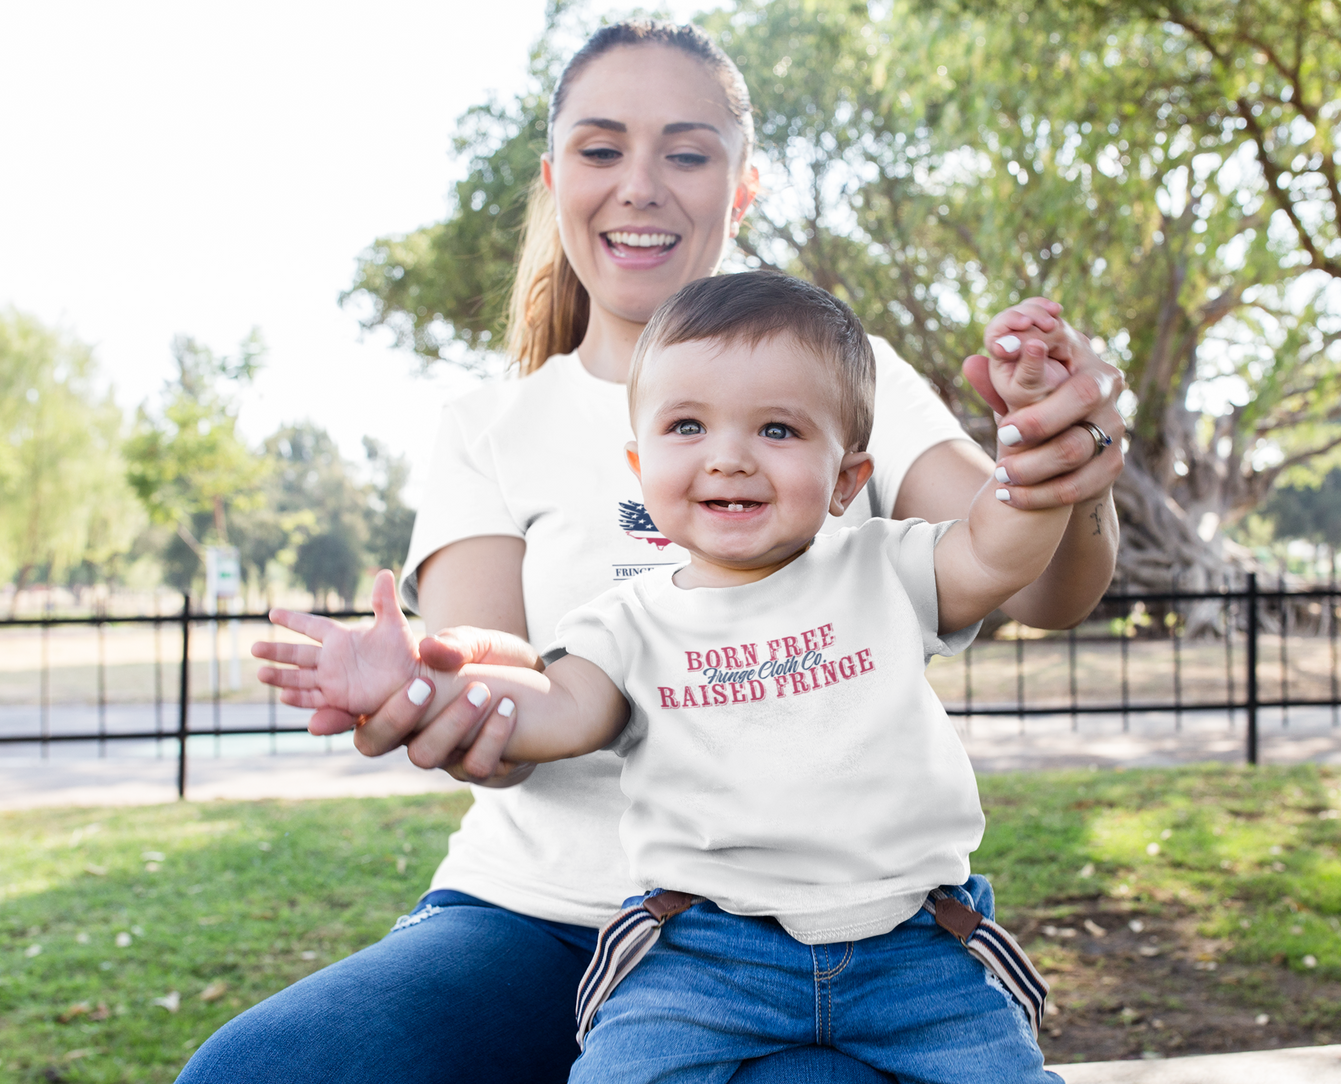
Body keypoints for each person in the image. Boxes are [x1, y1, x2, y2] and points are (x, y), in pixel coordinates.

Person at [180, 19, 1122, 1084]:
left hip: (822, 929)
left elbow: (1029, 575)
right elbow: (508, 664)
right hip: (534, 919)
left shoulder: (841, 371)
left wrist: (1060, 467)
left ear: (742, 186)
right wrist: (436, 688)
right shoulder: (489, 425)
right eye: (599, 149)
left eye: (685, 150)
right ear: (552, 181)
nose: (640, 185)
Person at [263, 271, 1069, 1084]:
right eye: (687, 426)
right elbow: (554, 706)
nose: (728, 458)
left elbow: (994, 550)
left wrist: (1037, 454)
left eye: (778, 431)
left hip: (916, 947)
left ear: (846, 479)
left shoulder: (884, 566)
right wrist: (423, 686)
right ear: (638, 463)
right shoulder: (627, 621)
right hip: (704, 954)